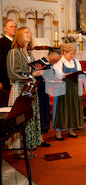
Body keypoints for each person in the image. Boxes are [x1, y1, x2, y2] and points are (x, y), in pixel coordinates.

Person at [6, 27, 43, 159]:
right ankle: (17, 149)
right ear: (20, 36)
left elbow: (32, 72)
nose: (30, 34)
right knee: (19, 118)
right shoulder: (14, 52)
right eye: (26, 32)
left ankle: (27, 145)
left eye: (30, 32)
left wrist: (38, 70)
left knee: (27, 118)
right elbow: (13, 73)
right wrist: (32, 74)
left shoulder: (30, 53)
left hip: (29, 88)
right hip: (19, 88)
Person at [52, 43, 84, 140]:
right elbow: (59, 75)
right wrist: (68, 74)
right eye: (70, 53)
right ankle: (58, 132)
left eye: (73, 54)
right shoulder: (58, 63)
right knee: (62, 109)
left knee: (73, 107)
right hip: (63, 87)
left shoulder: (75, 62)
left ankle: (71, 130)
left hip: (74, 86)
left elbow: (79, 71)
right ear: (64, 52)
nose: (72, 55)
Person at [35, 48, 62, 146]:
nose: (55, 62)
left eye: (57, 61)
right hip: (38, 92)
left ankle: (40, 138)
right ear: (50, 55)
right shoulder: (39, 63)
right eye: (55, 60)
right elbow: (35, 78)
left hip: (44, 92)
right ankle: (39, 139)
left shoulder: (49, 65)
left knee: (44, 113)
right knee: (40, 114)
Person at [0, 20, 17, 99]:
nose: (14, 28)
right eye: (11, 26)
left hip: (15, 80)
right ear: (5, 29)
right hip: (4, 79)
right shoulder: (1, 42)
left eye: (15, 27)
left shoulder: (17, 43)